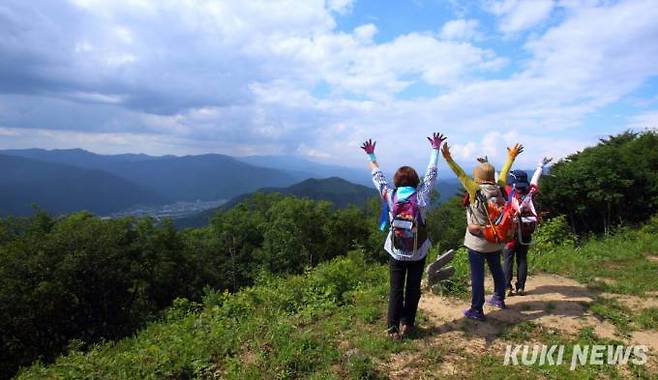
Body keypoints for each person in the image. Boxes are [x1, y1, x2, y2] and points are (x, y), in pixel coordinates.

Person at [361, 133, 446, 339]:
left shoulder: (390, 196)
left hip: (396, 251)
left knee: (396, 289)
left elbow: (377, 176)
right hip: (418, 250)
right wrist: (435, 149)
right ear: (416, 181)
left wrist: (371, 155)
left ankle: (392, 329)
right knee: (413, 288)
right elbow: (432, 174)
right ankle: (408, 324)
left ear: (396, 181)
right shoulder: (421, 196)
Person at [440, 141, 523, 321]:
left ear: (477, 177)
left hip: (477, 241)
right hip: (495, 238)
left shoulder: (474, 189)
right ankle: (499, 298)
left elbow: (460, 174)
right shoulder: (500, 187)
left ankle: (477, 309)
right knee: (497, 270)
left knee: (477, 276)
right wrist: (511, 157)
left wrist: (448, 158)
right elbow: (504, 173)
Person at [503, 157, 552, 296]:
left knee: (507, 259)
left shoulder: (509, 191)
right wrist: (540, 165)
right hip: (526, 231)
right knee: (522, 258)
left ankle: (507, 288)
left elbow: (498, 180)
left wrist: (485, 164)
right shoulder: (531, 191)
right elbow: (536, 177)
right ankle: (521, 287)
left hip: (511, 232)